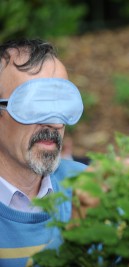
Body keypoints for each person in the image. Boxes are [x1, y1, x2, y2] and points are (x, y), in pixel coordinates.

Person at [0, 38, 87, 267]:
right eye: (33, 105)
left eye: (60, 105)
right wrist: (77, 238)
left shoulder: (89, 186)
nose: (53, 123)